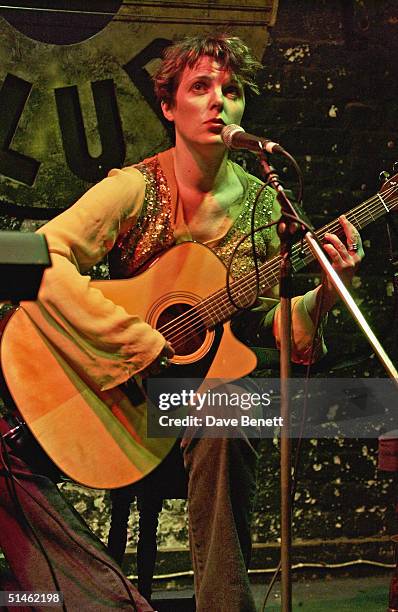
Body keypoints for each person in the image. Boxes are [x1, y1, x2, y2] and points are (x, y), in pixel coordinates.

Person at [0, 34, 364, 611]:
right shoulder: (135, 187)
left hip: (204, 411)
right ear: (169, 106)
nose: (219, 101)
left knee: (230, 402)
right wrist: (131, 339)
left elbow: (268, 325)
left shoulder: (265, 205)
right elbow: (41, 257)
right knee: (4, 453)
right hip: (124, 400)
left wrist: (323, 293)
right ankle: (107, 599)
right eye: (201, 87)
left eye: (232, 90)